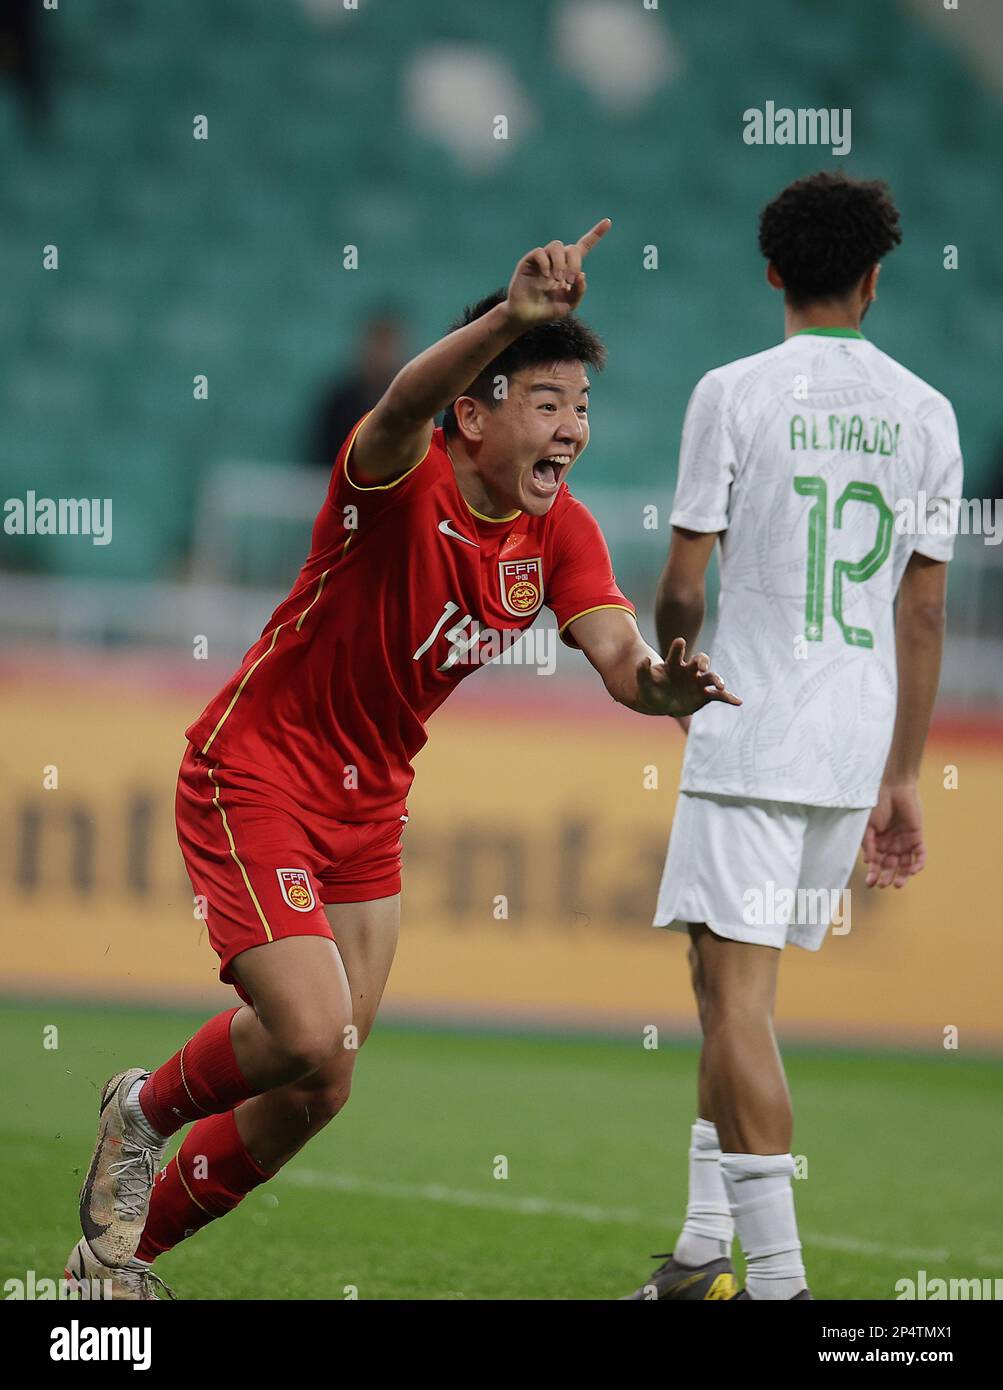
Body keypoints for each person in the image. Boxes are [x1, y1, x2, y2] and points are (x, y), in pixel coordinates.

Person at [67, 219, 740, 1299]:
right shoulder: (394, 479)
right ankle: (140, 1112)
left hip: (369, 810)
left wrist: (663, 687)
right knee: (304, 1023)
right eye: (546, 402)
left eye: (581, 408)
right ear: (474, 412)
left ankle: (114, 1271)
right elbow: (397, 407)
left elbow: (618, 655)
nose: (570, 428)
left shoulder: (556, 531)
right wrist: (506, 318)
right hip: (257, 769)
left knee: (320, 1082)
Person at [622, 172, 964, 1302]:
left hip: (749, 724)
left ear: (772, 272)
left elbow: (681, 586)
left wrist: (676, 662)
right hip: (851, 741)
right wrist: (903, 774)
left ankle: (779, 1288)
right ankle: (695, 1250)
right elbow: (922, 610)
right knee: (717, 980)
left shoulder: (732, 391)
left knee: (738, 1004)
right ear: (875, 278)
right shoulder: (927, 412)